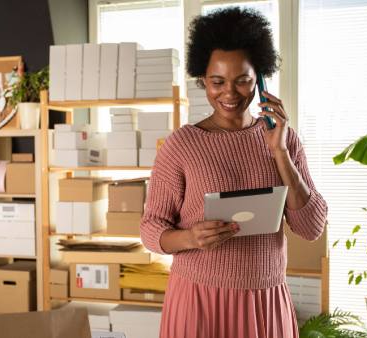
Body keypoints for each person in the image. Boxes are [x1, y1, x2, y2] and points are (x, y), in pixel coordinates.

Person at [140, 7, 328, 338]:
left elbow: (311, 227)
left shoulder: (284, 139)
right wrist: (190, 238)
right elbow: (151, 230)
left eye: (243, 80)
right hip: (199, 300)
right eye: (217, 82)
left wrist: (279, 151)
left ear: (261, 79)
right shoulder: (182, 145)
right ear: (202, 79)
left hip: (265, 300)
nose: (229, 93)